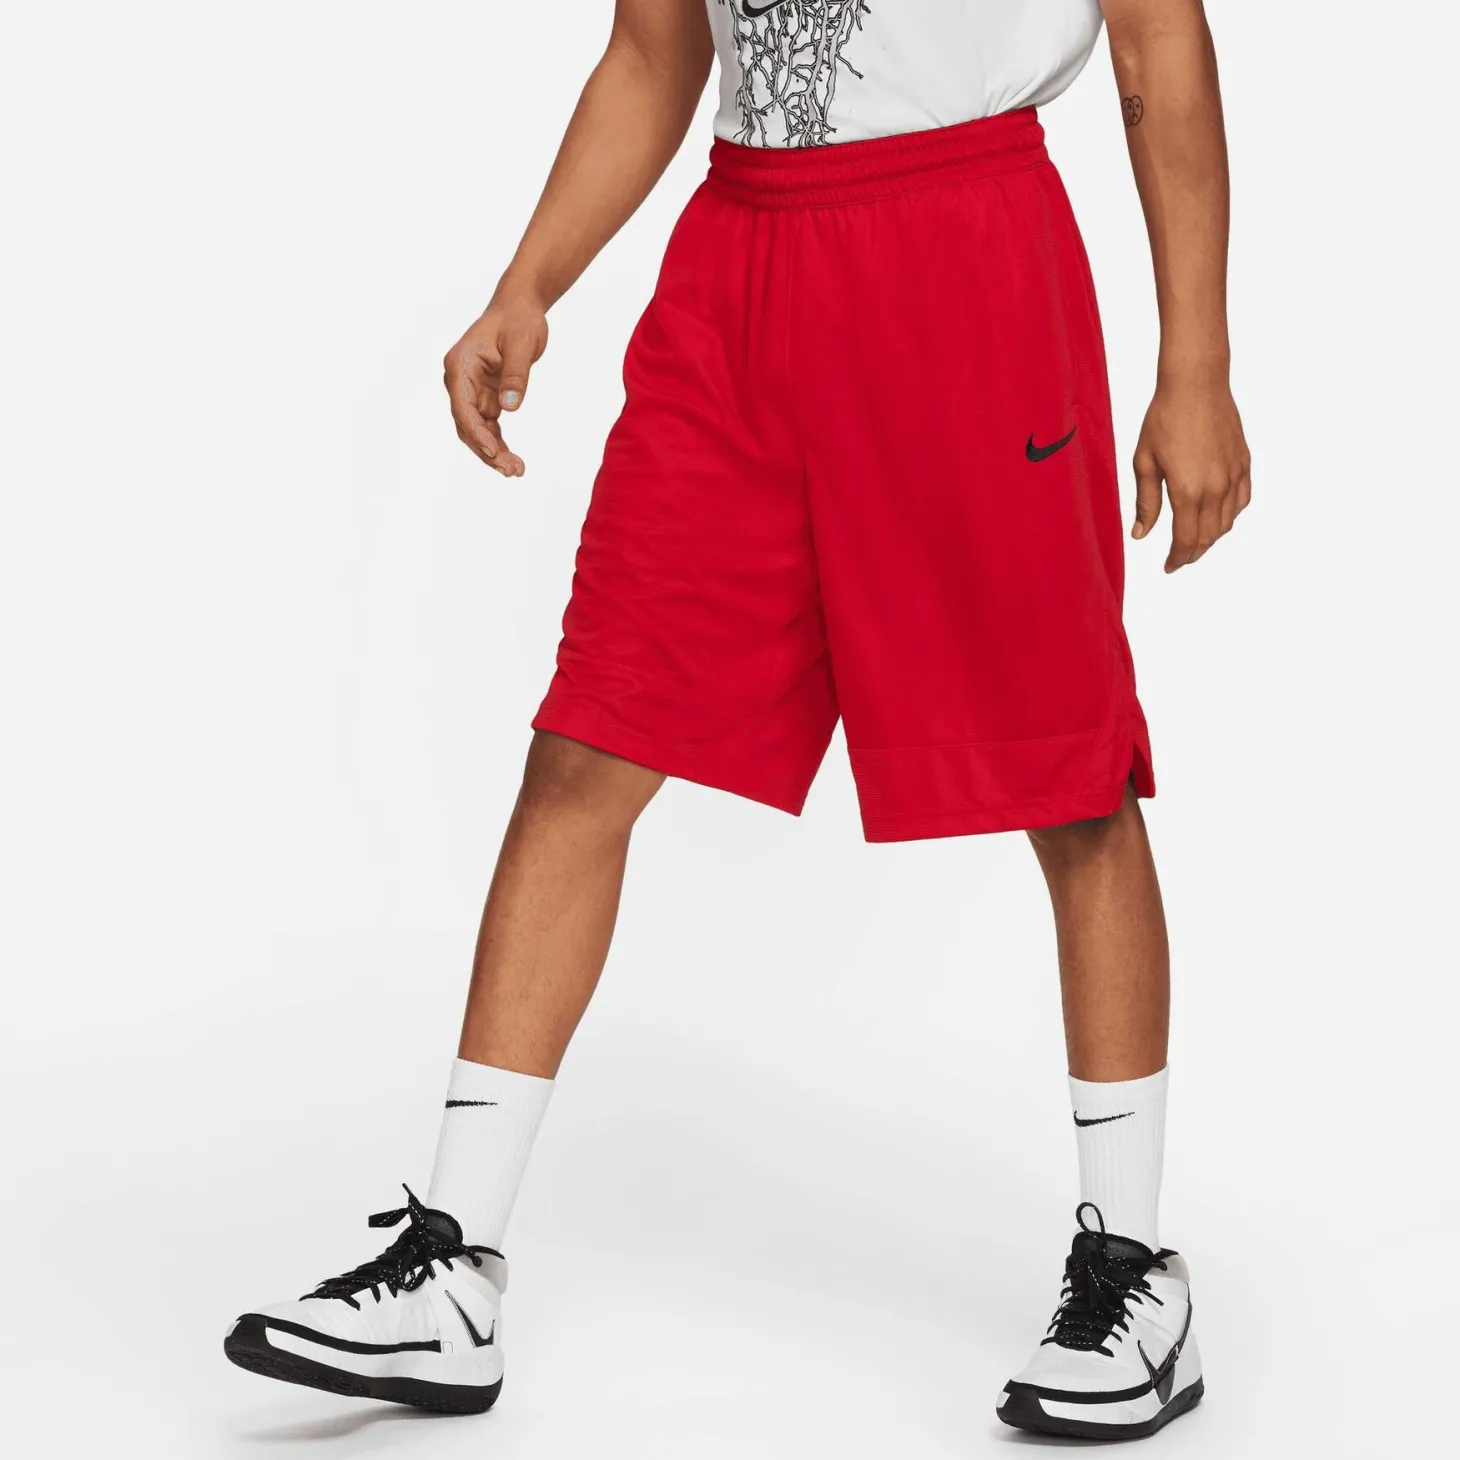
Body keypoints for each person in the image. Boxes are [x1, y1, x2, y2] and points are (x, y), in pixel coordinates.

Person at [224, 0, 1250, 1441]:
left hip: (963, 256)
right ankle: (452, 1268)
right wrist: (530, 281)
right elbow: (657, 49)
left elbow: (1159, 43)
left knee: (1066, 774)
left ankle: (1134, 1270)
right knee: (591, 735)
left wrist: (1194, 365)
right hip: (740, 277)